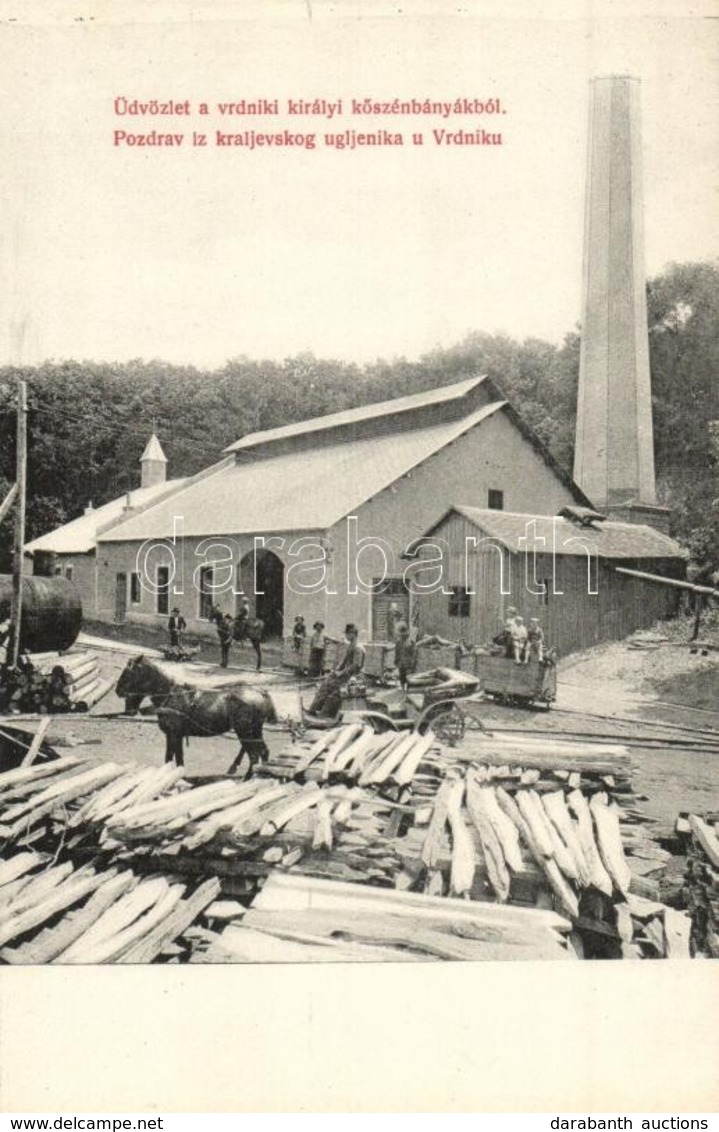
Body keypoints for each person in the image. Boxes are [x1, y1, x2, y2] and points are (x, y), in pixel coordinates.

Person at [309, 623, 365, 717]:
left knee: (330, 688)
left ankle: (322, 713)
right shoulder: (351, 645)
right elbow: (344, 661)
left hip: (353, 677)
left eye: (347, 634)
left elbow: (355, 666)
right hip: (346, 675)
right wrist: (336, 670)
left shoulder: (358, 647)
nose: (346, 636)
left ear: (353, 634)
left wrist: (341, 673)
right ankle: (315, 709)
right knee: (327, 683)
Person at [393, 621, 417, 689]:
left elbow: (413, 654)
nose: (403, 636)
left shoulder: (411, 642)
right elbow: (397, 652)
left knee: (409, 678)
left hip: (408, 664)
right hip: (401, 663)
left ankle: (408, 690)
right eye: (401, 634)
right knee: (402, 677)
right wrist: (396, 661)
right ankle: (403, 688)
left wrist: (412, 664)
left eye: (404, 634)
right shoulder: (398, 643)